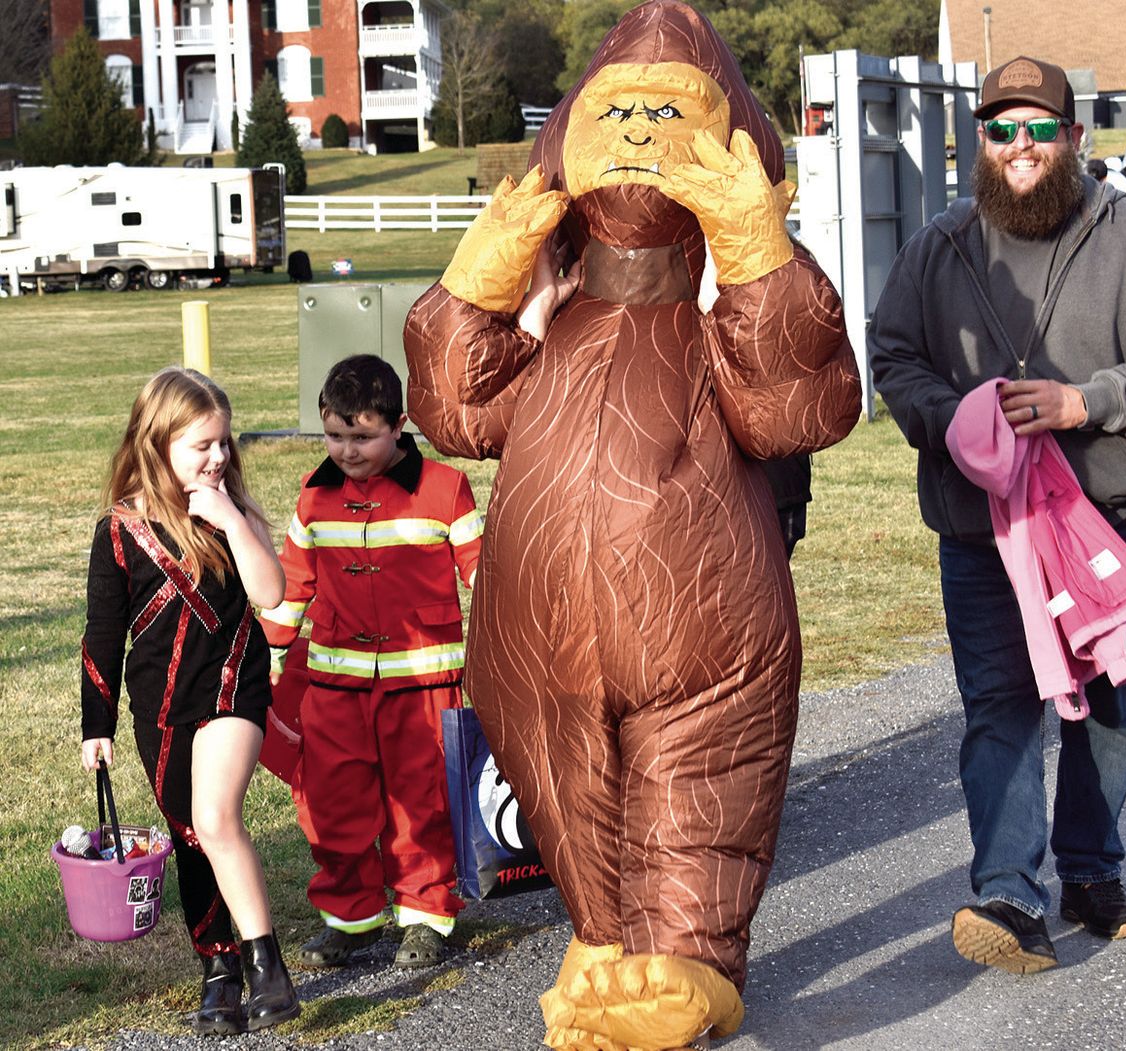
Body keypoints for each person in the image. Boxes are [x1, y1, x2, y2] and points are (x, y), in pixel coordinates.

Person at [404, 3, 861, 1046]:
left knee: (699, 772)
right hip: (539, 634)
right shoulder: (557, 328)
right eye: (625, 110)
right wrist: (474, 285)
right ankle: (608, 938)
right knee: (561, 772)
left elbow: (800, 404)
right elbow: (456, 410)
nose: (647, 128)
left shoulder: (714, 327)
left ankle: (690, 959)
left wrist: (755, 252)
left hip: (706, 619)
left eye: (672, 108)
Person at [869, 54, 1126, 975]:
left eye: (1037, 128)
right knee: (1002, 707)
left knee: (1109, 704)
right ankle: (1009, 895)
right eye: (999, 129)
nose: (1018, 146)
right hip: (984, 531)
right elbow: (893, 356)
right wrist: (954, 421)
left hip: (1109, 520)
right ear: (977, 143)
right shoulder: (935, 248)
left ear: (1072, 138)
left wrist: (1086, 402)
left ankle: (1094, 875)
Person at [80, 367, 300, 1034]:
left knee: (215, 814)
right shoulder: (118, 529)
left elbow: (270, 593)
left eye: (224, 442)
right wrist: (99, 723)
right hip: (160, 706)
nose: (218, 456)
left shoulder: (232, 508)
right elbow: (103, 632)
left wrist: (231, 517)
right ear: (157, 441)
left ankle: (269, 968)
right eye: (201, 444)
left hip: (234, 685)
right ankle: (219, 968)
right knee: (191, 834)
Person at [259, 355, 481, 971]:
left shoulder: (444, 488)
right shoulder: (315, 495)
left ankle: (425, 917)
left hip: (424, 680)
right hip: (335, 683)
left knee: (423, 800)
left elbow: (483, 576)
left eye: (363, 437)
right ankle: (350, 919)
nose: (348, 451)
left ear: (398, 425)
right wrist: (273, 652)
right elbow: (293, 583)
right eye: (335, 435)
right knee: (335, 803)